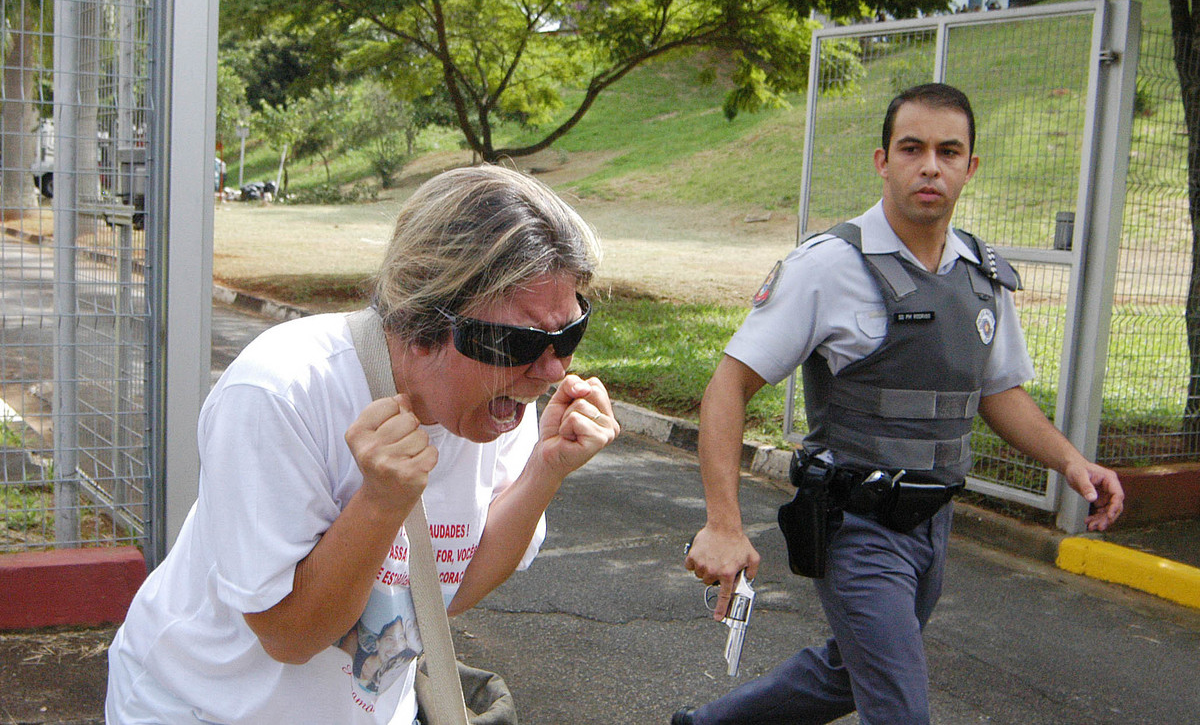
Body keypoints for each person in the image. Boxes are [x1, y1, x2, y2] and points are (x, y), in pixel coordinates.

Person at [106, 164, 621, 724]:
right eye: (519, 340)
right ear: (420, 320)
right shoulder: (282, 392)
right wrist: (379, 502)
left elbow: (444, 593)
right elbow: (290, 636)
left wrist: (545, 471)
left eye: (568, 334)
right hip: (203, 708)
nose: (549, 370)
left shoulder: (501, 399)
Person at [675, 83, 1124, 725]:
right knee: (898, 707)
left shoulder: (980, 274)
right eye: (912, 148)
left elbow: (999, 393)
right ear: (882, 160)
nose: (930, 166)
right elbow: (728, 385)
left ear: (971, 167)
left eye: (949, 151)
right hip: (858, 527)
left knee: (847, 674)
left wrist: (1071, 463)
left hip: (932, 524)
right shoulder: (828, 266)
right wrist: (723, 522)